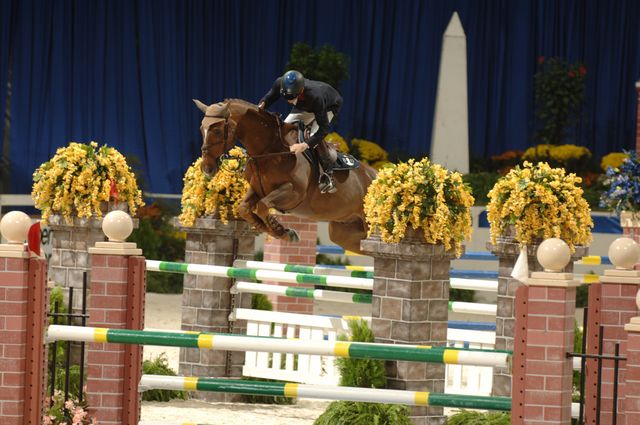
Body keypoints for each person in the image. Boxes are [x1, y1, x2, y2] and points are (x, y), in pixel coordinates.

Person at [258, 70, 343, 194]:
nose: (288, 102)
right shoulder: (280, 83)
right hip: (304, 105)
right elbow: (268, 98)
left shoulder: (316, 96)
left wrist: (304, 145)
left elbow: (324, 129)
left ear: (301, 90)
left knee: (313, 137)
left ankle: (327, 174)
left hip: (329, 106)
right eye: (286, 98)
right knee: (284, 130)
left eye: (292, 98)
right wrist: (259, 109)